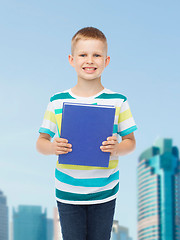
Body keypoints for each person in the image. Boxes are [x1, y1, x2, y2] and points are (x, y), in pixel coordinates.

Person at [36, 27, 137, 240]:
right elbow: (41, 142)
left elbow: (130, 142)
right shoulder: (57, 101)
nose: (89, 61)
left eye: (96, 55)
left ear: (106, 60)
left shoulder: (119, 101)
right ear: (72, 59)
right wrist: (53, 147)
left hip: (105, 192)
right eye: (83, 55)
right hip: (68, 192)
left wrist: (118, 148)